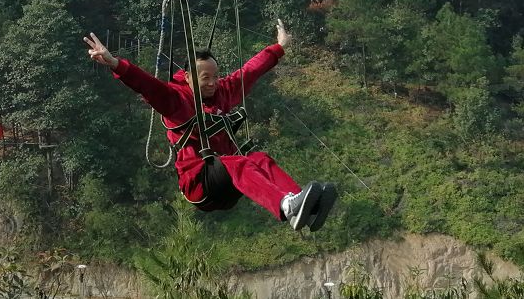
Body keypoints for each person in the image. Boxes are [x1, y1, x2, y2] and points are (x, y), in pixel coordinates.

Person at [84, 20, 337, 231]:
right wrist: (116, 63)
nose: (213, 83)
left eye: (216, 76)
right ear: (188, 77)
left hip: (228, 184)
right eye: (206, 78)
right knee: (237, 161)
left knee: (259, 158)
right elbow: (147, 85)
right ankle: (284, 205)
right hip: (199, 184)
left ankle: (301, 205)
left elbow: (250, 71)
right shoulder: (175, 100)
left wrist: (280, 47)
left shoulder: (223, 92)